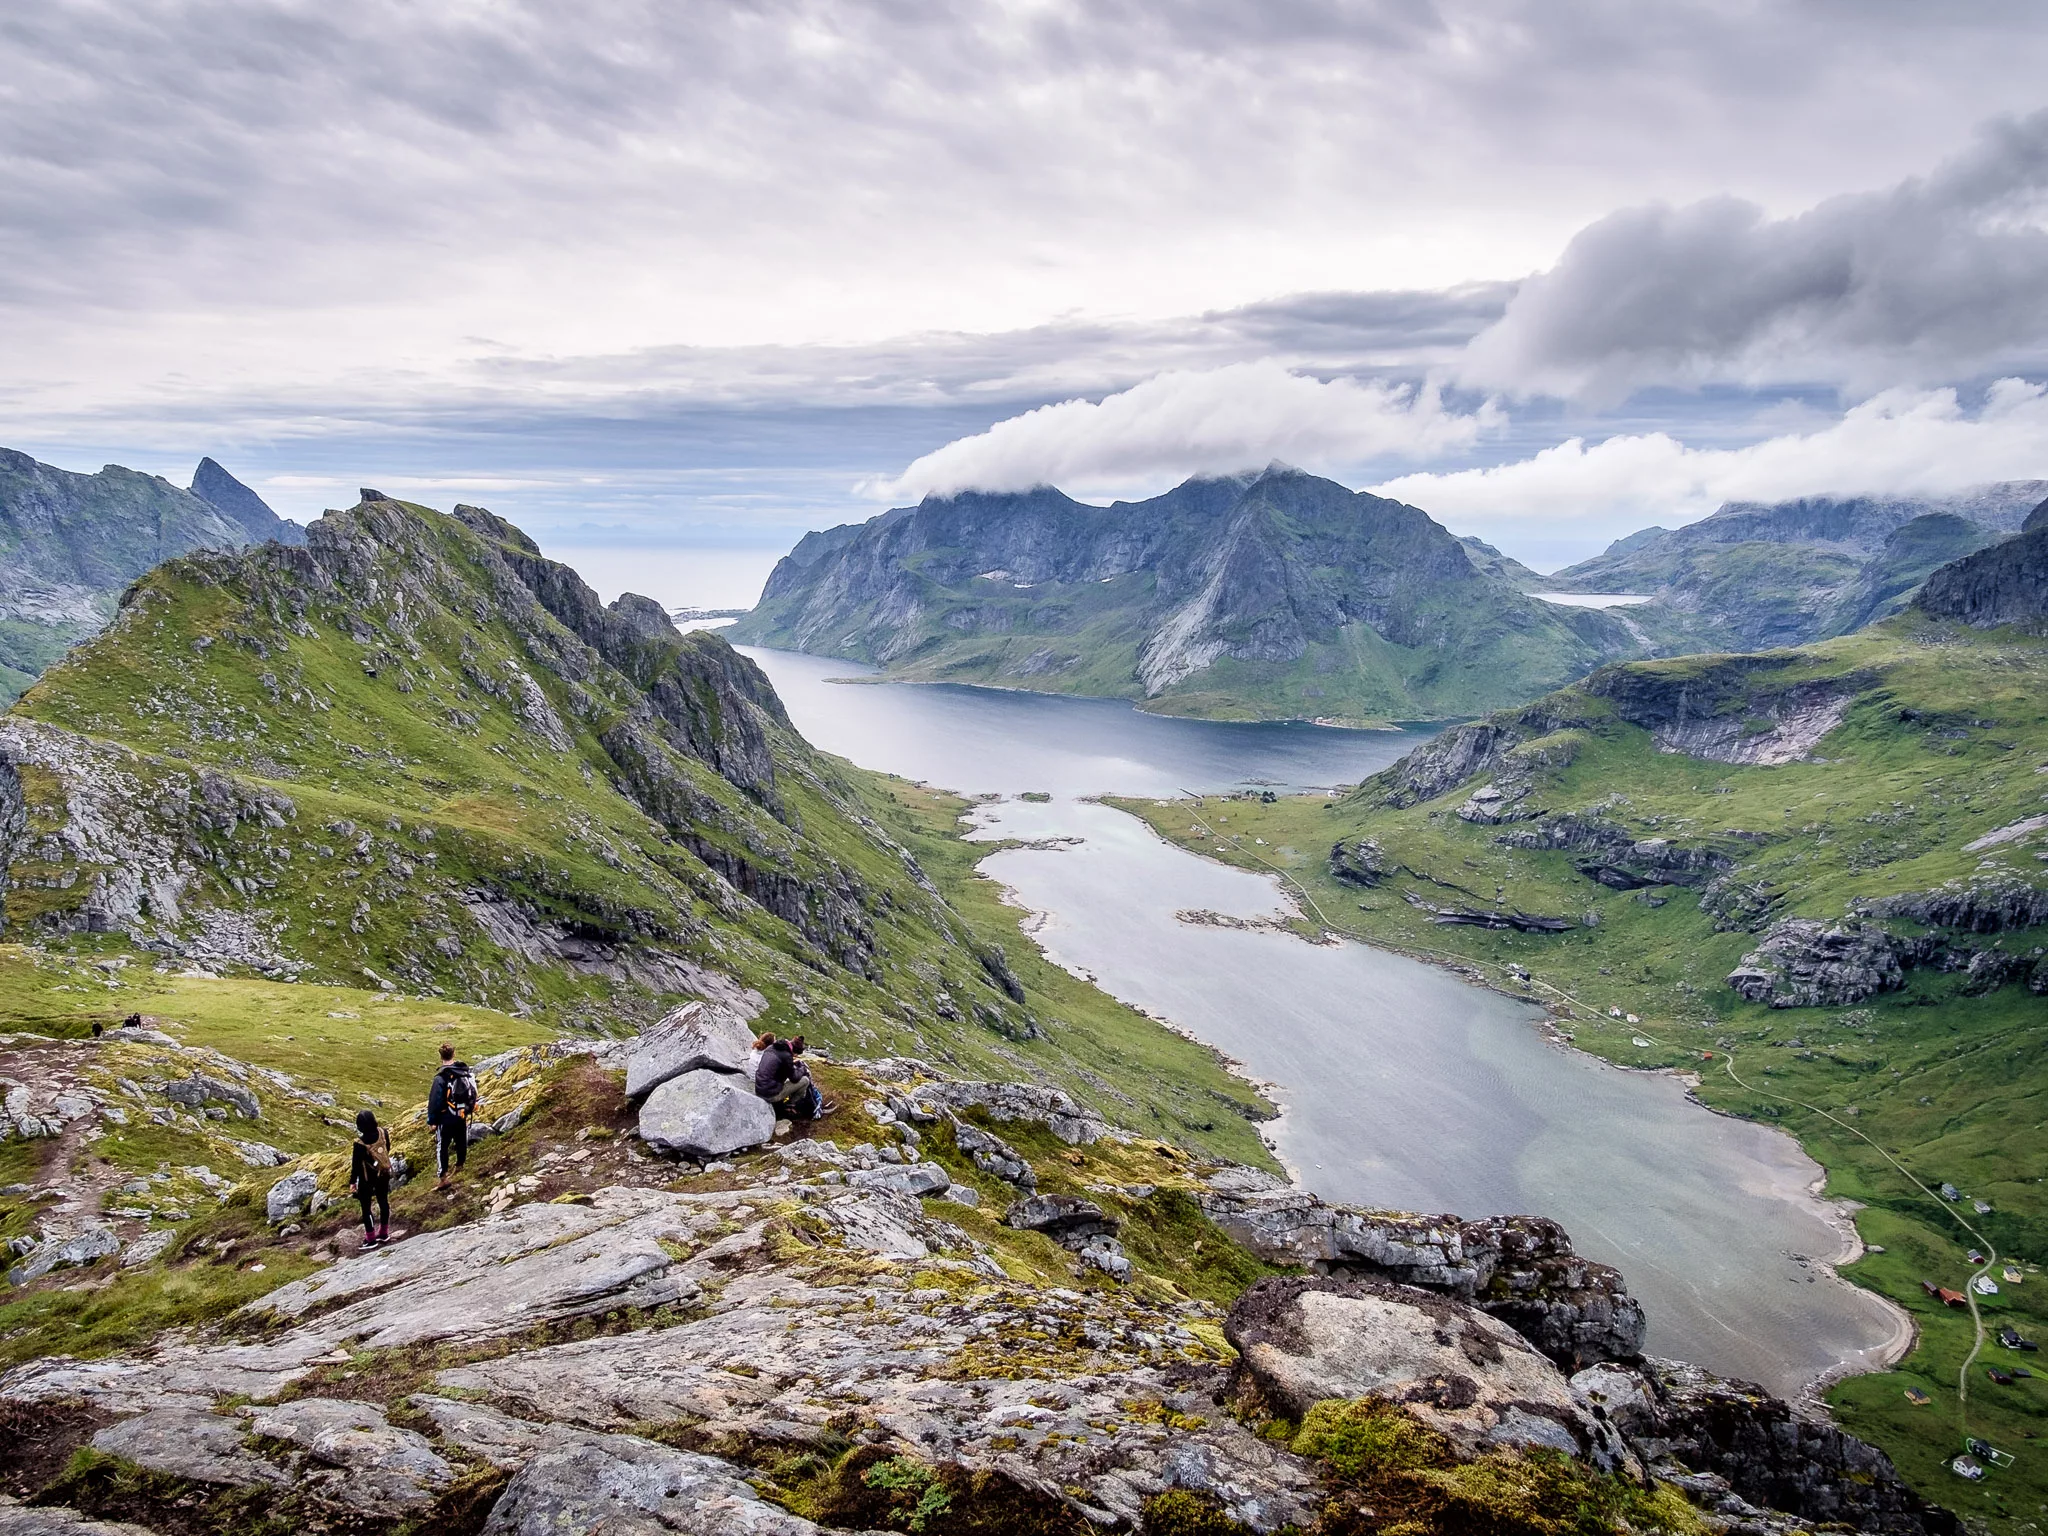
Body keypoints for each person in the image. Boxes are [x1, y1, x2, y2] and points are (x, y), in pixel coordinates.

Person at [426, 1043, 479, 1188]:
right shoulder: (464, 1072)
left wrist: (432, 1121)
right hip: (462, 1114)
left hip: (446, 1118)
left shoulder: (440, 1078)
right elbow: (474, 1091)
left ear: (440, 1056)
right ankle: (460, 1165)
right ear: (453, 1054)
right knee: (461, 1140)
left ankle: (443, 1177)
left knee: (442, 1146)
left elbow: (435, 1101)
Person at [753, 1032, 830, 1120]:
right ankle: (790, 1106)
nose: (795, 1056)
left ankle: (785, 1104)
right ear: (795, 1051)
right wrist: (802, 1069)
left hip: (759, 1088)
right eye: (796, 1054)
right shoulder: (786, 1056)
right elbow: (794, 1078)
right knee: (805, 1081)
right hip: (770, 1095)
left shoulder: (772, 1047)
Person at [349, 1109, 392, 1247]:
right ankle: (384, 1233)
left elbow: (356, 1165)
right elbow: (387, 1149)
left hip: (367, 1178)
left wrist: (352, 1182)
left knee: (366, 1208)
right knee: (383, 1201)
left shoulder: (360, 1143)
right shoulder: (383, 1132)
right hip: (384, 1173)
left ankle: (371, 1238)